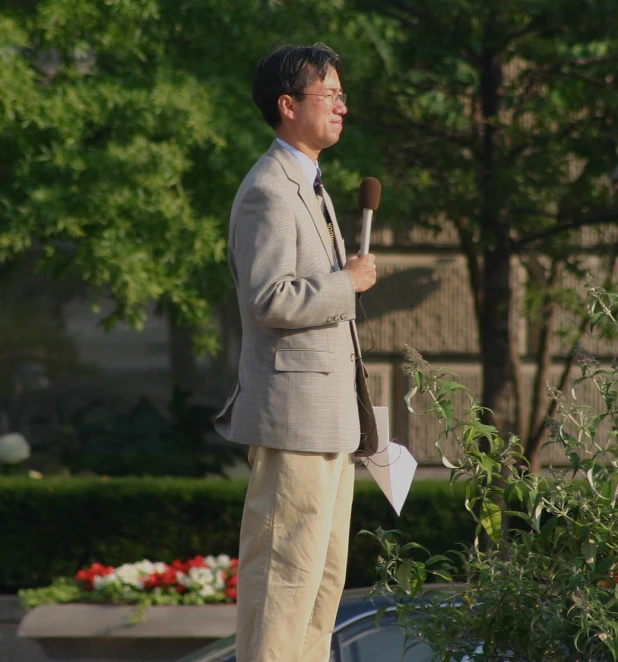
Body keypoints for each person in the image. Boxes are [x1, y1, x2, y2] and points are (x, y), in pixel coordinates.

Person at [215, 43, 377, 662]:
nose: (342, 105)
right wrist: (348, 284)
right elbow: (269, 299)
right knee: (282, 584)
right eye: (328, 94)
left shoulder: (309, 185)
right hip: (294, 418)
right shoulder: (269, 190)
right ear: (288, 106)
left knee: (319, 588)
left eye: (340, 94)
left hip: (329, 418)